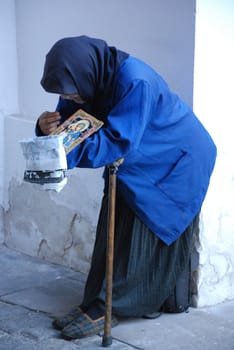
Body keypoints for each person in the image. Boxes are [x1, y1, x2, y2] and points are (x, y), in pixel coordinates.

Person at [36, 35, 217, 340]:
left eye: (73, 94)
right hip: (138, 158)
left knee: (144, 230)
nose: (72, 99)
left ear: (85, 74)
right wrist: (45, 129)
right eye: (67, 94)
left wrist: (60, 152)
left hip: (176, 157)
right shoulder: (85, 76)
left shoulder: (136, 81)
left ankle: (113, 306)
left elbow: (116, 140)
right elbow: (70, 123)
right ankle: (98, 300)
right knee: (117, 223)